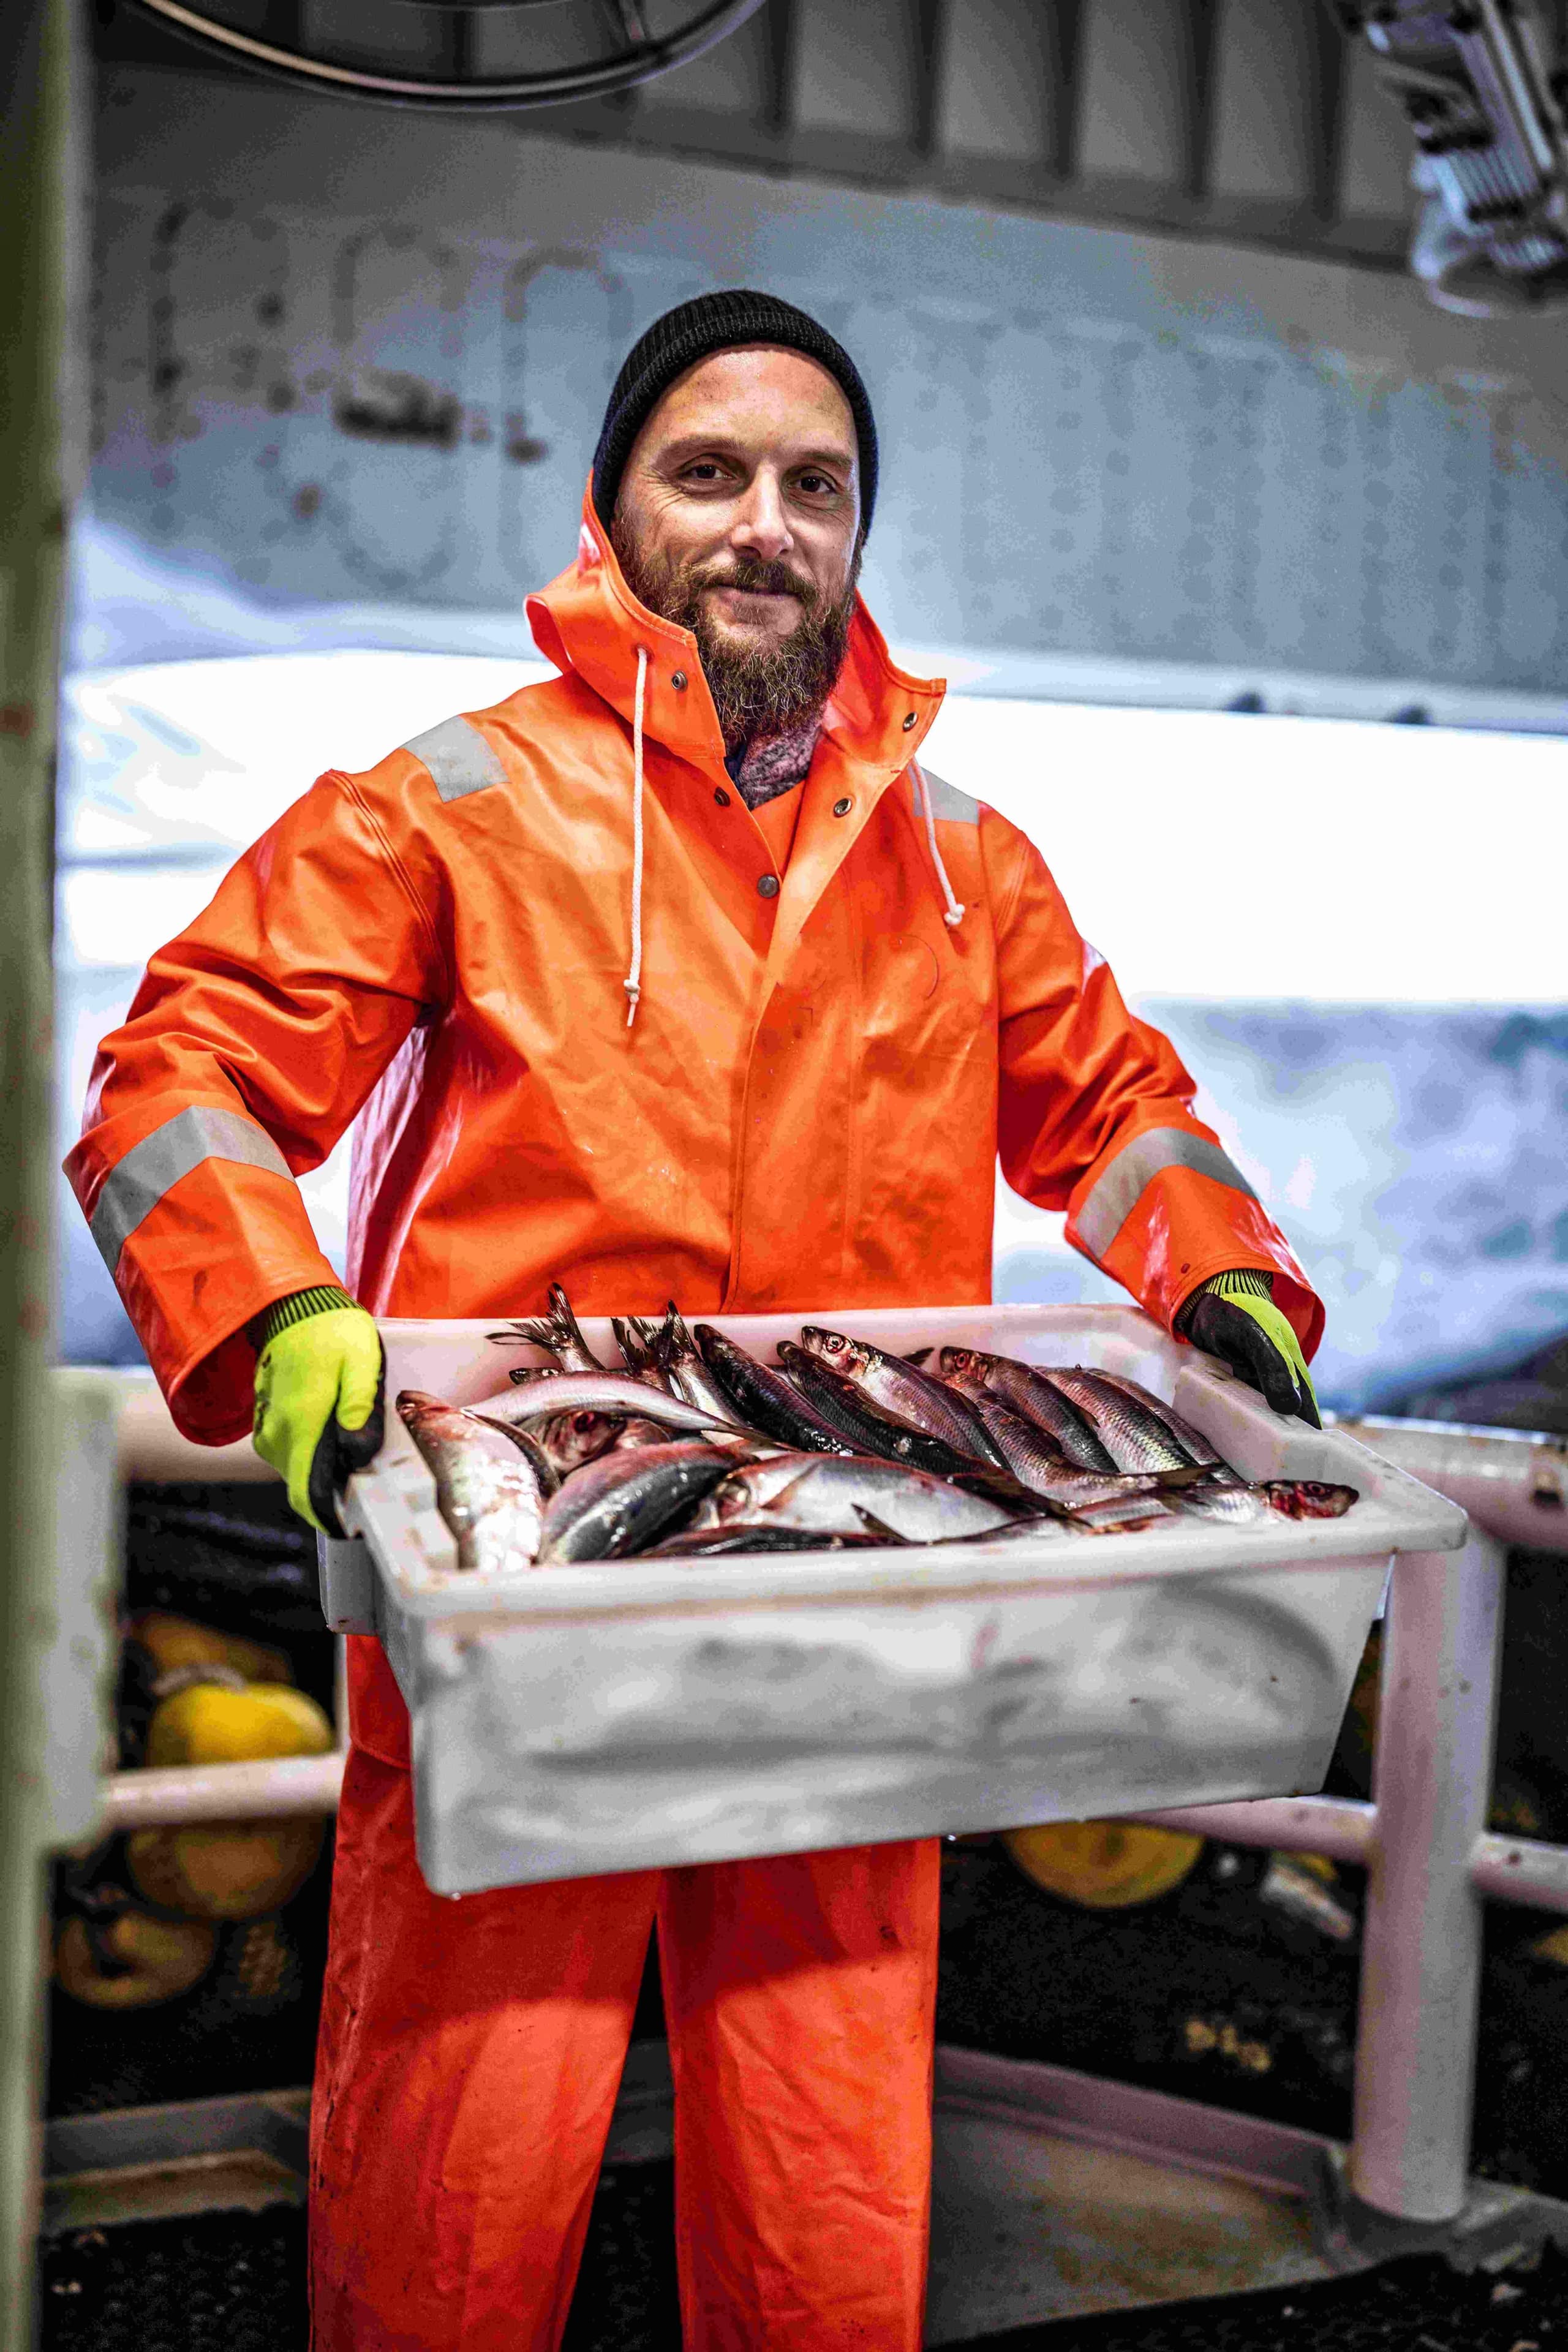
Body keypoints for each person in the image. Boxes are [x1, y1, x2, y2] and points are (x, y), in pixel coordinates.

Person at [67, 289, 1324, 2350]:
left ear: (856, 537)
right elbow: (183, 1067)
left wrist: (1232, 1272)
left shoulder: (964, 865)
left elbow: (1115, 1106)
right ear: (613, 511)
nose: (764, 523)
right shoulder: (452, 807)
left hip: (851, 1612)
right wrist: (273, 1306)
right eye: (709, 472)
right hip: (524, 1599)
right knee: (460, 2159)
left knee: (831, 2161)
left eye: (813, 486)